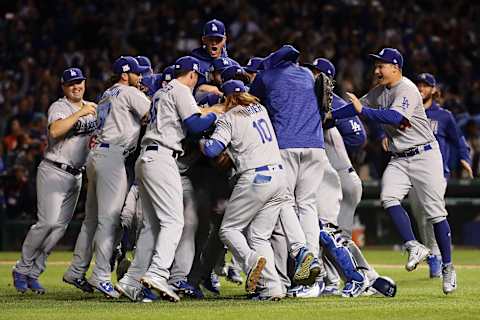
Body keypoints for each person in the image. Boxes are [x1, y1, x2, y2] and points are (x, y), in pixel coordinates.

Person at [331, 48, 457, 295]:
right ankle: (413, 245)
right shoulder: (380, 91)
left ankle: (448, 267)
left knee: (435, 214)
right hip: (400, 158)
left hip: (425, 156)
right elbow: (355, 107)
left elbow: (394, 116)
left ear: (395, 67)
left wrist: (361, 111)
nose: (377, 69)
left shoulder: (407, 88)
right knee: (388, 198)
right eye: (377, 65)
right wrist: (328, 116)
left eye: (382, 65)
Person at [114, 56, 220, 302]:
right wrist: (215, 112)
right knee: (174, 222)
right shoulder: (182, 89)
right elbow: (195, 125)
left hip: (147, 157)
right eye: (197, 78)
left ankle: (131, 281)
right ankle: (159, 274)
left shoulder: (163, 91)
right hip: (162, 157)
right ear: (191, 75)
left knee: (152, 226)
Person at [63, 57, 151, 298]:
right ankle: (101, 275)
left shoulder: (107, 93)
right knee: (109, 220)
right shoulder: (128, 91)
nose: (140, 77)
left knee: (91, 219)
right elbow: (152, 114)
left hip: (97, 155)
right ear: (125, 75)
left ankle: (76, 269)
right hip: (112, 156)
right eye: (136, 73)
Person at [12, 68, 97, 294]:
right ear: (63, 87)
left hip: (76, 175)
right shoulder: (60, 107)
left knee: (59, 229)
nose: (76, 86)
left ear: (85, 83)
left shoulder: (93, 108)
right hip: (54, 170)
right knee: (47, 223)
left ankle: (33, 273)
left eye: (79, 82)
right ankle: (21, 268)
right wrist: (81, 113)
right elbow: (56, 131)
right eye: (71, 84)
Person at [200, 80, 287, 300]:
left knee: (228, 230)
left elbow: (212, 150)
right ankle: (273, 288)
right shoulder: (260, 109)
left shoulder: (229, 118)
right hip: (279, 176)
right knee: (259, 236)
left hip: (256, 177)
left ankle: (250, 262)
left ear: (225, 98)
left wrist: (202, 138)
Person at [250, 45, 324, 291]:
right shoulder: (306, 74)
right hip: (316, 146)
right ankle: (314, 269)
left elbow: (251, 101)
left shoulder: (267, 76)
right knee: (308, 204)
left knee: (284, 202)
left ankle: (301, 253)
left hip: (286, 145)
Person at [410, 73, 472, 278]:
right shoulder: (408, 111)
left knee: (432, 213)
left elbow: (458, 138)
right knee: (420, 215)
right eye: (418, 84)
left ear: (434, 90)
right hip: (412, 171)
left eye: (425, 85)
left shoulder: (444, 116)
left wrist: (465, 158)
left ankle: (437, 256)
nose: (421, 88)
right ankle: (432, 253)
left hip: (437, 173)